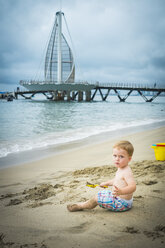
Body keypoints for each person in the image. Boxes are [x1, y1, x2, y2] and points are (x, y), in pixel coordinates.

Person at [67, 140, 136, 212]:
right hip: (120, 199)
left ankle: (80, 206)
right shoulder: (121, 168)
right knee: (102, 193)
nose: (117, 159)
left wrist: (121, 191)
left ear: (129, 159)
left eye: (121, 156)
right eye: (115, 156)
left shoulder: (127, 172)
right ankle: (84, 203)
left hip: (122, 203)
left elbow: (133, 187)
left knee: (97, 198)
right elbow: (117, 180)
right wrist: (106, 183)